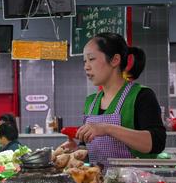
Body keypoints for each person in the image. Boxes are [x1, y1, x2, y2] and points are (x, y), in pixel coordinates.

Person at [65, 32, 166, 167]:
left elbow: (156, 143)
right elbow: (90, 149)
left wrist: (107, 128)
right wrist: (77, 151)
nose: (86, 66)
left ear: (115, 60)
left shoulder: (142, 95)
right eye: (85, 61)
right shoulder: (90, 102)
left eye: (91, 59)